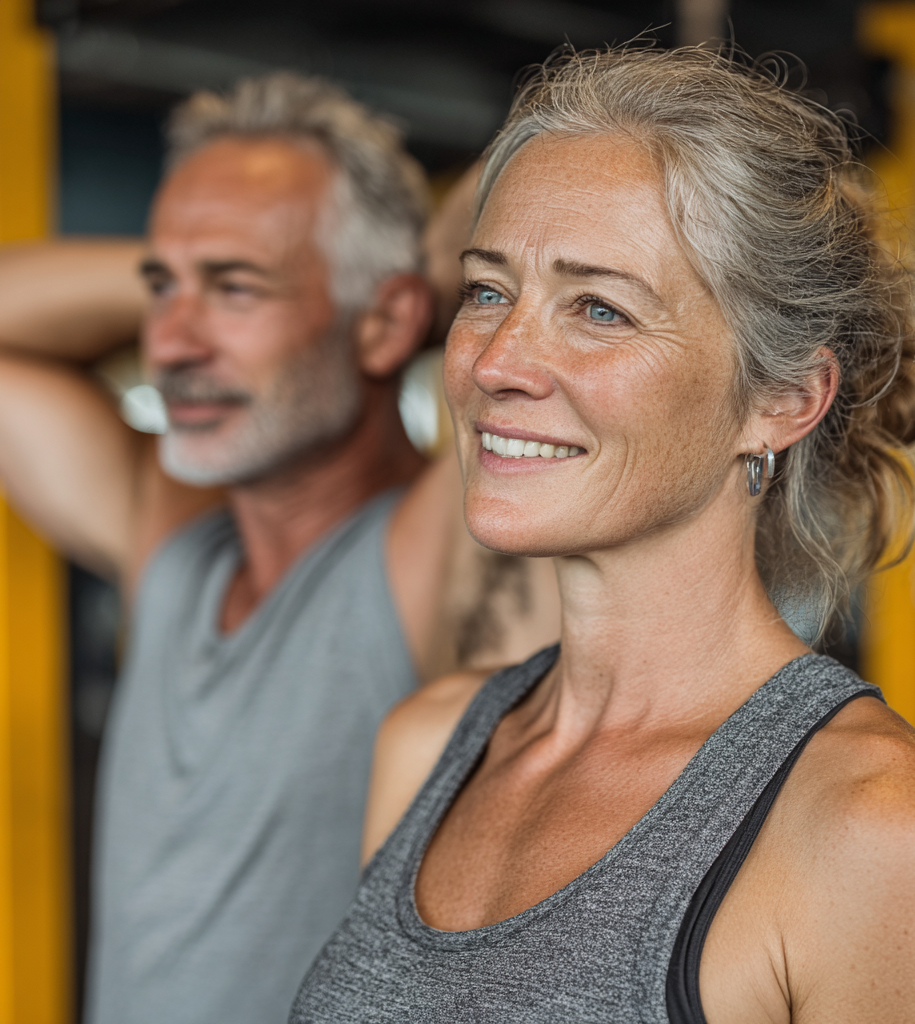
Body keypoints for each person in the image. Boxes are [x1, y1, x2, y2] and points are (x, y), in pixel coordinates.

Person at [291, 47, 915, 1024]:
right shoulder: (428, 746)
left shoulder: (884, 824)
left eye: (598, 308)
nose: (498, 361)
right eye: (487, 290)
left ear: (781, 399)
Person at [0, 74, 556, 1024]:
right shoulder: (171, 541)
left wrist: (412, 283)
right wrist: (224, 256)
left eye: (235, 288)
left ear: (386, 320)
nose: (170, 343)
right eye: (159, 290)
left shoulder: (433, 548)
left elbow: (541, 171)